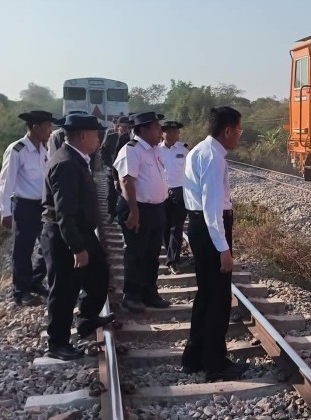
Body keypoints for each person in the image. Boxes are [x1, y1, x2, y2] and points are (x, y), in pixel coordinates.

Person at [41, 114, 115, 360]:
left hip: (79, 231)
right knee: (64, 288)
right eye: (96, 135)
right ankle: (57, 343)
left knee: (99, 272)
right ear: (83, 136)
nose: (99, 140)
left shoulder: (77, 158)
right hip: (65, 234)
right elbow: (64, 212)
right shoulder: (66, 164)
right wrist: (76, 247)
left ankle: (87, 319)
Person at [180, 106, 247, 381]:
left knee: (206, 295)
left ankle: (193, 358)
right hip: (211, 231)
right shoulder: (213, 157)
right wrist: (223, 249)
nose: (239, 136)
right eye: (239, 131)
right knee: (218, 298)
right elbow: (212, 210)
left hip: (201, 227)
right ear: (227, 130)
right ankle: (215, 363)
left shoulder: (200, 150)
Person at [113, 111, 171, 312]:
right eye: (157, 128)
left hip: (156, 208)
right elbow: (127, 181)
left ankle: (149, 293)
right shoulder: (132, 150)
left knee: (152, 254)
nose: (160, 131)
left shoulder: (154, 150)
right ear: (144, 129)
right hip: (138, 208)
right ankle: (132, 296)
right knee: (136, 253)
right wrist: (134, 211)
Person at [0, 110, 55, 306]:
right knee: (23, 249)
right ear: (35, 127)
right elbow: (5, 183)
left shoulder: (43, 150)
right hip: (24, 205)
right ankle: (21, 291)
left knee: (48, 244)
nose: (50, 130)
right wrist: (5, 212)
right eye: (47, 126)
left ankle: (35, 281)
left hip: (42, 205)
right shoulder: (17, 150)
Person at [158, 120, 189, 274]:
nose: (171, 135)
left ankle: (172, 260)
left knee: (176, 228)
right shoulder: (155, 150)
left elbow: (190, 172)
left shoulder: (184, 150)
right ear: (162, 133)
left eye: (175, 132)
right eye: (168, 132)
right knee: (164, 226)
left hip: (180, 192)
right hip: (161, 192)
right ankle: (170, 253)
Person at [100, 116, 131, 222]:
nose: (125, 129)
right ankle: (111, 213)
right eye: (123, 127)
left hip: (126, 171)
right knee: (111, 193)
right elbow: (103, 151)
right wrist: (110, 164)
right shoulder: (111, 137)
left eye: (127, 127)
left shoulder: (130, 139)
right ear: (118, 127)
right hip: (112, 170)